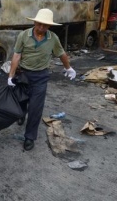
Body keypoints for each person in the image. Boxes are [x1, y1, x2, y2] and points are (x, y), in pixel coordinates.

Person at [7, 8, 76, 151]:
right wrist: (11, 75)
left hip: (41, 76)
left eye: (45, 25)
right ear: (35, 22)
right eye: (39, 24)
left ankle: (29, 137)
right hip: (24, 74)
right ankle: (21, 113)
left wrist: (68, 68)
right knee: (21, 100)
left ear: (49, 26)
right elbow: (17, 55)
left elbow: (61, 54)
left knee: (36, 108)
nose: (41, 27)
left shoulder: (53, 38)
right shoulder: (24, 35)